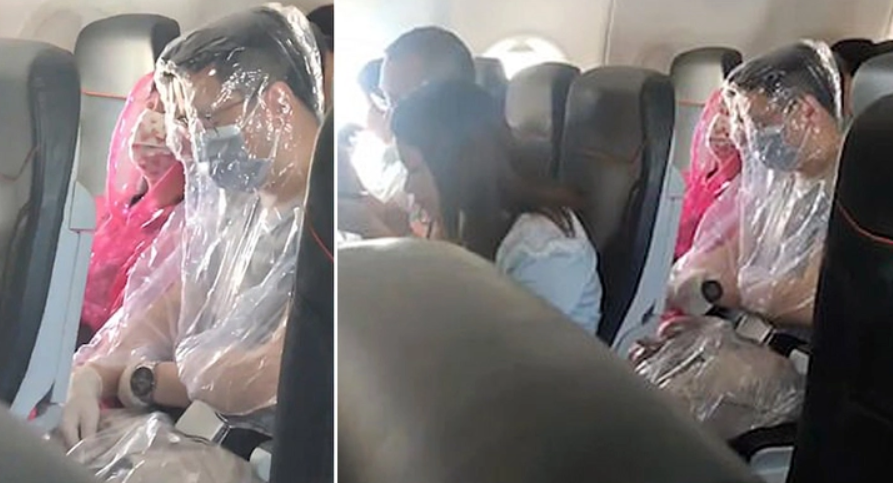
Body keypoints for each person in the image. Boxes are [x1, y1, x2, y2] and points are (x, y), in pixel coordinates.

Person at [60, 5, 325, 482]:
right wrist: (92, 375)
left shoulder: (323, 225)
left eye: (209, 119)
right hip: (197, 428)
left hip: (264, 452)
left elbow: (270, 377)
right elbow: (167, 315)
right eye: (191, 123)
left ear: (277, 104)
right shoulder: (236, 209)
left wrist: (145, 379)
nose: (200, 141)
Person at [635, 41, 845, 439]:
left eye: (761, 124)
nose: (750, 139)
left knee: (665, 407)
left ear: (805, 111)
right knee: (640, 372)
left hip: (816, 369)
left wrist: (725, 288)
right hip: (758, 341)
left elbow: (800, 302)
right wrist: (719, 288)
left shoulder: (852, 187)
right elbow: (706, 267)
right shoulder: (776, 183)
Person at [391, 80, 603, 334]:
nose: (408, 187)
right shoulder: (466, 216)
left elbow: (506, 347)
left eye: (414, 171)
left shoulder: (544, 249)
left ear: (458, 166)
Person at [78, 73, 185, 347]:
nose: (151, 121)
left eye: (169, 113)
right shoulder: (113, 213)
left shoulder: (183, 232)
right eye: (150, 107)